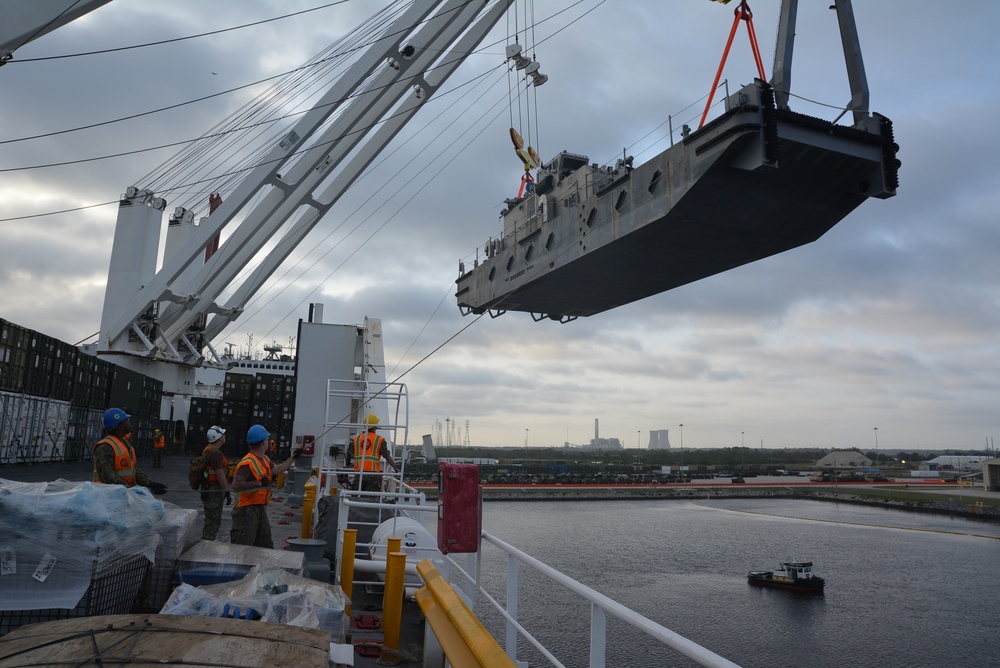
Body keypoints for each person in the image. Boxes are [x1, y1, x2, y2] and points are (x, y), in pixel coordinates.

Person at [229, 424, 301, 548]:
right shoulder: (247, 463)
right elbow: (236, 485)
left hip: (260, 509)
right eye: (267, 439)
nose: (268, 441)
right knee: (242, 547)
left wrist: (293, 457)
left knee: (265, 545)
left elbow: (277, 470)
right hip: (245, 511)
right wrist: (259, 483)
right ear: (263, 442)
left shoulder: (265, 459)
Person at [92, 407, 166, 495]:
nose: (130, 422)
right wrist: (133, 491)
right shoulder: (105, 447)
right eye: (127, 420)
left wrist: (150, 484)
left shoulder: (125, 444)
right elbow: (109, 477)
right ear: (120, 427)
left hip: (122, 494)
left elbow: (132, 469)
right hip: (107, 497)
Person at [351, 414, 398, 492]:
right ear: (375, 426)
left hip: (359, 474)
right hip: (373, 475)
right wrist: (396, 469)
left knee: (357, 496)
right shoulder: (379, 440)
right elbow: (387, 457)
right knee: (372, 498)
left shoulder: (356, 439)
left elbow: (352, 454)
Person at [200, 425, 232, 541]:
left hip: (208, 488)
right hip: (213, 491)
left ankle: (206, 543)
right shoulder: (215, 454)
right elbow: (220, 474)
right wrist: (227, 491)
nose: (225, 436)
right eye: (223, 435)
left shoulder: (208, 450)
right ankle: (205, 545)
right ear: (219, 438)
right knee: (213, 521)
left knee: (211, 520)